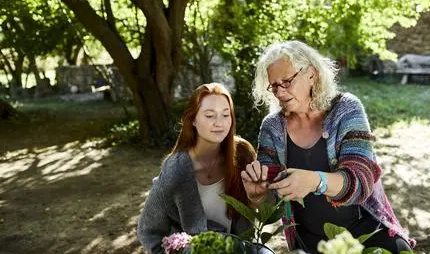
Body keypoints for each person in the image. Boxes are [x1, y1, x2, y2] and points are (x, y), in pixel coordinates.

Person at [241, 41, 415, 254]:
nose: (279, 92)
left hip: (367, 231)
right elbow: (273, 199)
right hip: (313, 241)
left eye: (287, 81)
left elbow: (361, 181)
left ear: (311, 74)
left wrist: (314, 181)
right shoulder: (272, 127)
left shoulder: (346, 109)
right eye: (274, 85)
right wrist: (258, 195)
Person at [137, 83, 258, 254]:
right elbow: (148, 231)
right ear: (193, 119)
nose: (219, 123)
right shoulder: (175, 171)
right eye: (210, 115)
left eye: (226, 115)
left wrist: (258, 196)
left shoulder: (243, 155)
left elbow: (263, 204)